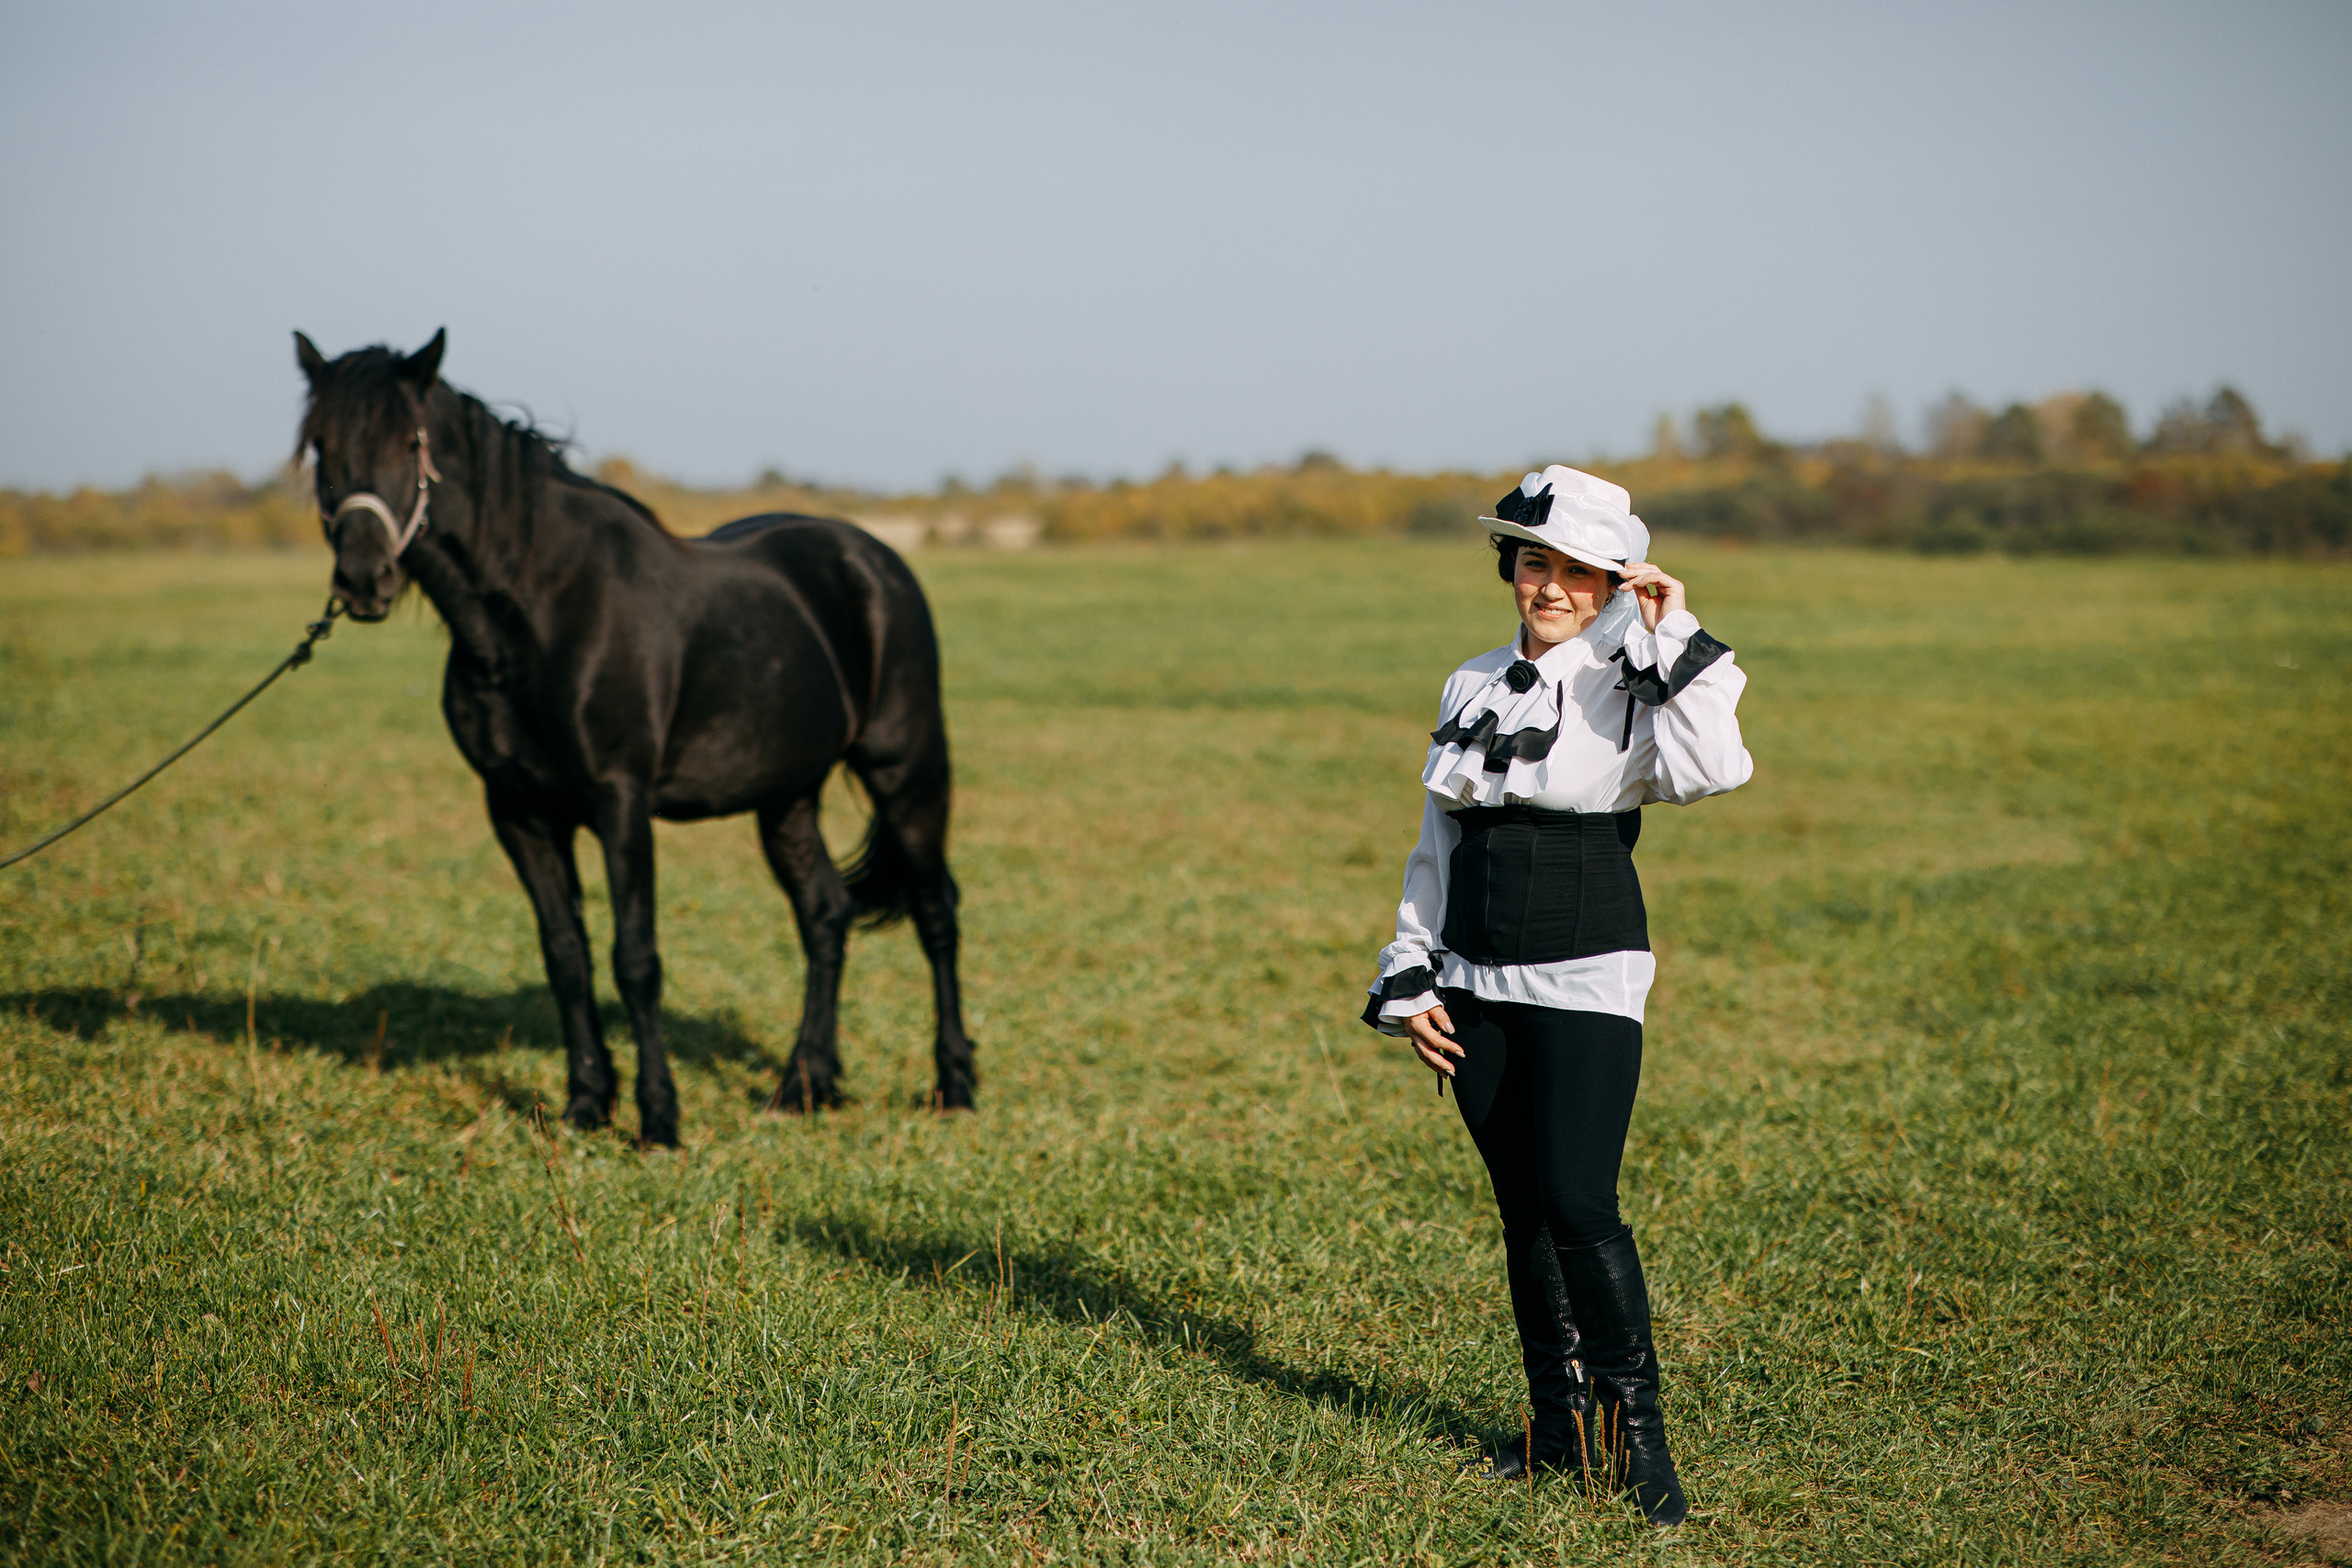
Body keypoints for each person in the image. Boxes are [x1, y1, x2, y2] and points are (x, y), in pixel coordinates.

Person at [1361, 465, 1753, 1527]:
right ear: (1512, 566)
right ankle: (1554, 1430)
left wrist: (1670, 634)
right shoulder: (1469, 680)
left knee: (1581, 1205)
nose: (1552, 587)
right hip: (1474, 978)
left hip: (1585, 972)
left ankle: (1640, 1447)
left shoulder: (1636, 677)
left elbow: (1714, 770)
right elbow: (1436, 839)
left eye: (1580, 573)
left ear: (1614, 583)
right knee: (1523, 1212)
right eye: (1538, 563)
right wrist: (1412, 974)